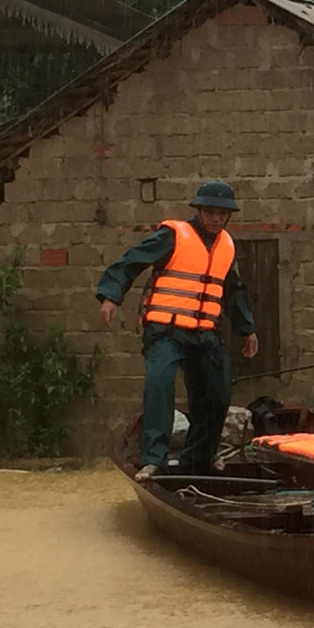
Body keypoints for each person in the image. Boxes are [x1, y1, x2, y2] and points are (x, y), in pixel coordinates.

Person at [96, 180, 258, 481]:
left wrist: (247, 330)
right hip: (166, 331)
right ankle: (154, 459)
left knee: (217, 394)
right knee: (160, 385)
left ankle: (201, 457)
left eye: (222, 214)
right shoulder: (173, 236)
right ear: (198, 210)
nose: (216, 219)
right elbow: (132, 261)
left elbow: (234, 291)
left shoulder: (227, 245)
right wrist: (111, 296)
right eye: (210, 212)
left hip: (205, 333)